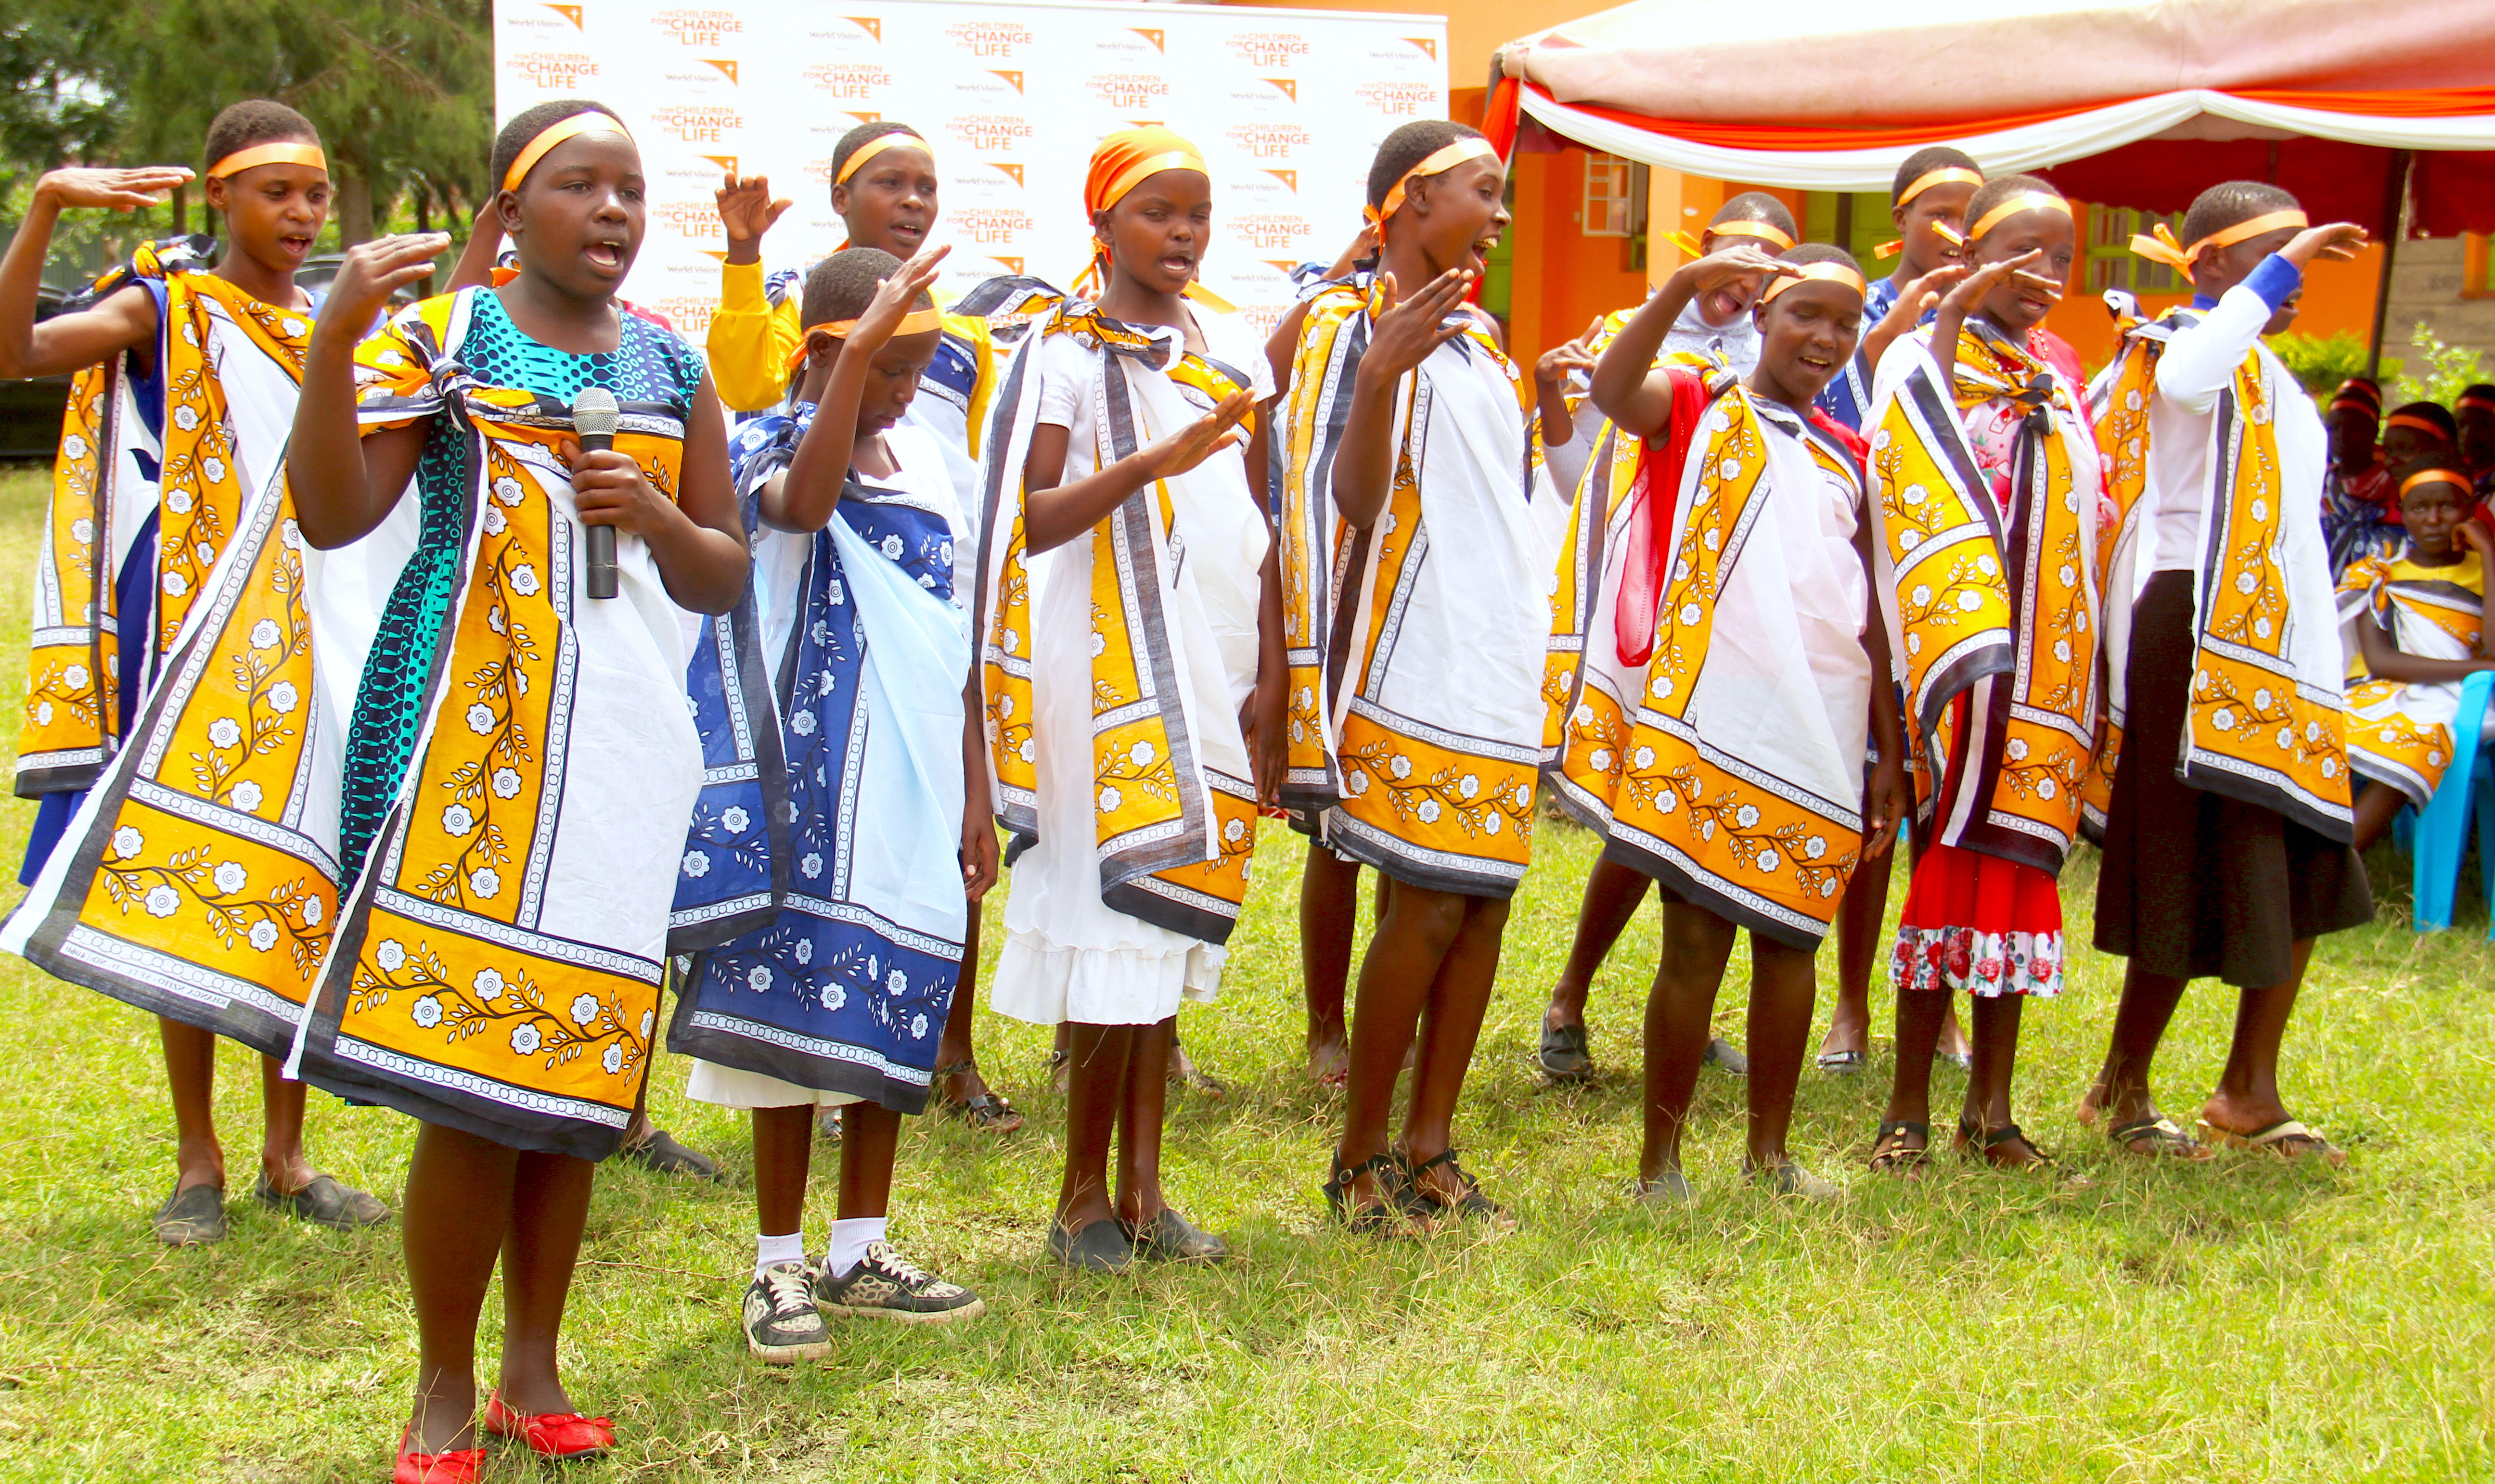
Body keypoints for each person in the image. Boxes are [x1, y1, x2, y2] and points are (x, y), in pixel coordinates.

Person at [283, 101, 749, 1477]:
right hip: (463, 744)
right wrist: (328, 349)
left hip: (617, 754)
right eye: (579, 186)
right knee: (469, 1078)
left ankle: (532, 1369)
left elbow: (720, 571)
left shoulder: (673, 363)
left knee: (581, 1071)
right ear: (510, 205)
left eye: (631, 189)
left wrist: (658, 518)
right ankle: (439, 1388)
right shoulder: (443, 340)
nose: (613, 211)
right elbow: (330, 513)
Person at [0, 101, 389, 1245]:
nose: (301, 214)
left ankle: (288, 1150)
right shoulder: (160, 307)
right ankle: (197, 1156)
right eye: (278, 193)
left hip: (315, 624)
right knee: (192, 872)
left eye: (314, 195)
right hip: (189, 624)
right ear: (221, 194)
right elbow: (16, 353)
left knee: (303, 876)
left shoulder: (333, 321)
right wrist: (47, 209)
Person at [671, 245, 993, 1359]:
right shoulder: (766, 444)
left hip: (904, 790)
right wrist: (853, 361)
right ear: (823, 353)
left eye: (913, 366)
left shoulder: (925, 464)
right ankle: (776, 1265)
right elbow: (801, 511)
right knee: (781, 1030)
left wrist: (974, 791)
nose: (905, 387)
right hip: (800, 786)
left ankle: (858, 1247)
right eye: (886, 365)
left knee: (889, 1002)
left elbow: (951, 640)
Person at [1549, 238, 1904, 1203]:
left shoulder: (1851, 455)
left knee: (1793, 941)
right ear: (1762, 319)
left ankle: (1770, 1158)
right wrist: (1676, 291)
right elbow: (1615, 394)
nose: (1826, 337)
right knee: (1696, 941)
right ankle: (1659, 1167)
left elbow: (1870, 611)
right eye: (1806, 316)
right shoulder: (1698, 404)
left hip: (1823, 721)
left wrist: (1889, 750)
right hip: (1712, 716)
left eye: (1846, 322)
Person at [978, 127, 1277, 1273]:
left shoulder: (1219, 348)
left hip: (1207, 659)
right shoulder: (1056, 352)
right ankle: (1078, 1198)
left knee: (1166, 931)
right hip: (1102, 667)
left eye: (1196, 213)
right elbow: (1034, 517)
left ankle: (1148, 1188)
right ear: (1100, 226)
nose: (1182, 234)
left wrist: (1267, 672)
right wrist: (1153, 464)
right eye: (1157, 212)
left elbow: (1250, 531)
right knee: (1114, 922)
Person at [705, 121, 1023, 1133]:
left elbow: (959, 484)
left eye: (929, 182)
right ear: (842, 197)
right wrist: (747, 261)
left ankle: (944, 1060)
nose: (915, 198)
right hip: (814, 684)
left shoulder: (963, 341)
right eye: (891, 181)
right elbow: (757, 390)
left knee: (925, 893)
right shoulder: (803, 310)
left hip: (921, 674)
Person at [1280, 120, 1552, 1232]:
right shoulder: (1343, 328)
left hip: (1491, 646)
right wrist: (1383, 372)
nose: (1497, 216)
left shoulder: (1483, 339)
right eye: (1479, 194)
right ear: (1403, 201)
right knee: (1425, 901)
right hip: (1409, 647)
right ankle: (1358, 1161)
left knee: (1480, 904)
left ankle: (1431, 1142)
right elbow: (1345, 498)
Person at [2084, 181, 2372, 1165]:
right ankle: (2123, 1085)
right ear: (2208, 264)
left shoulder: (2275, 377)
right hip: (2197, 634)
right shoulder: (2180, 346)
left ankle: (2250, 1087)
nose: (2297, 281)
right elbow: (2191, 377)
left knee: (2304, 851)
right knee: (2182, 859)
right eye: (2273, 259)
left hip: (2286, 648)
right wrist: (2281, 268)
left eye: (2301, 261)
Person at [1530, 192, 1818, 1087]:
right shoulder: (1630, 334)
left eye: (1760, 278)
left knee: (1688, 821)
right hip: (1635, 605)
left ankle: (1683, 1023)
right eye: (1729, 267)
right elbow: (1577, 466)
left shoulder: (1784, 354)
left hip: (1732, 615)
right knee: (1636, 822)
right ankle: (1568, 998)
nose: (1740, 291)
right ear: (1699, 255)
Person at [1859, 178, 2106, 1174]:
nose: (2044, 277)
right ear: (1974, 252)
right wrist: (1955, 305)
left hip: (2048, 670)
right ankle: (1909, 1109)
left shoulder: (2062, 365)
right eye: (2023, 254)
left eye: (2062, 259)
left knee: (2021, 881)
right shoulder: (1929, 347)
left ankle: (1992, 1111)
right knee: (1946, 873)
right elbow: (1897, 449)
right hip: (1964, 677)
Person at [2336, 461, 2495, 854]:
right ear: (2403, 513)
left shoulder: (2486, 572)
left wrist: (2489, 554)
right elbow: (2382, 663)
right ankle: (2322, 867)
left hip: (2468, 705)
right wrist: (2479, 667)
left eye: (2448, 507)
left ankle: (2331, 870)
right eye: (2419, 509)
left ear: (2471, 508)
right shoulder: (2379, 575)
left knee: (2419, 737)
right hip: (2382, 693)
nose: (2434, 520)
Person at [2321, 376, 2402, 578]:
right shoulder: (2320, 479)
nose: (2342, 435)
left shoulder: (2390, 482)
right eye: (2334, 428)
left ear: (2374, 432)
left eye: (2354, 427)